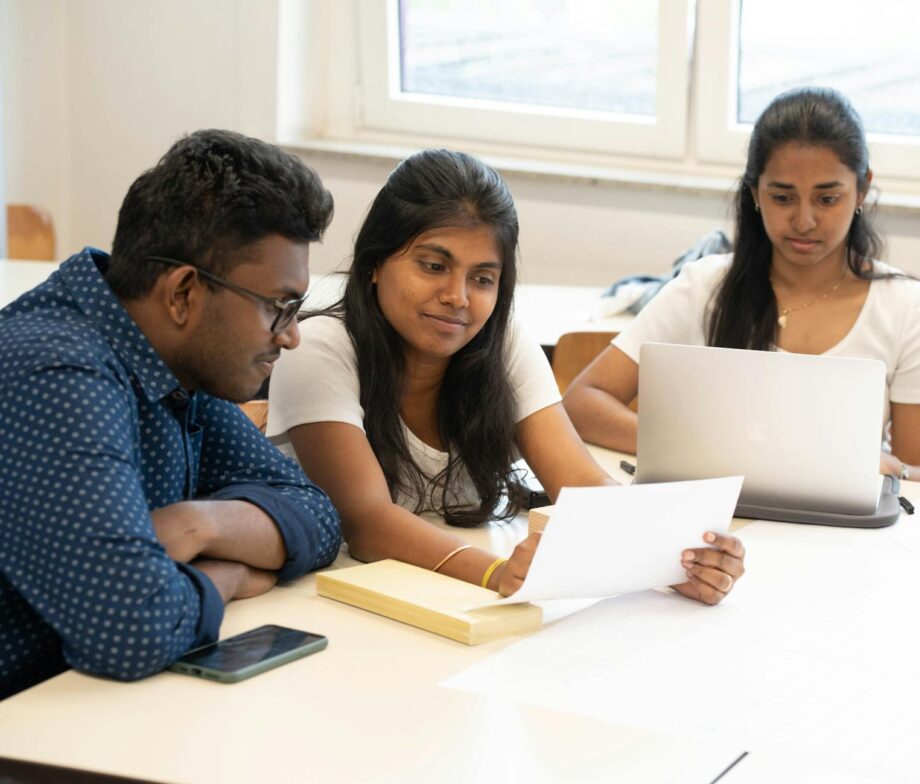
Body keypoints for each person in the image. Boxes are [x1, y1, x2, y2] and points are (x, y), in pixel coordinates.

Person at [267, 149, 745, 603]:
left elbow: (581, 483)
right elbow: (367, 525)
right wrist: (495, 573)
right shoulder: (320, 346)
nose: (457, 297)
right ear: (374, 264)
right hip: (338, 605)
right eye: (434, 266)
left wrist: (675, 559)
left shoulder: (501, 341)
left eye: (483, 279)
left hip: (456, 603)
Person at [0, 130, 342, 700]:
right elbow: (131, 626)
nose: (292, 337)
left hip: (80, 711)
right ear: (183, 292)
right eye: (278, 307)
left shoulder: (175, 358)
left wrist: (198, 524)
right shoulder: (54, 371)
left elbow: (317, 515)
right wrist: (228, 575)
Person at [563, 87, 920, 484]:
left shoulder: (907, 307)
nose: (804, 221)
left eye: (827, 199)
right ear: (755, 192)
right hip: (716, 525)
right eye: (783, 197)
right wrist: (703, 450)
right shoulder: (705, 287)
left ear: (861, 189)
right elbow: (583, 403)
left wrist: (887, 469)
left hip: (844, 530)